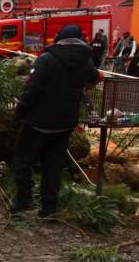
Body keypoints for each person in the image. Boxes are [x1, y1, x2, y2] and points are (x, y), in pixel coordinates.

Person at [12, 24, 100, 217]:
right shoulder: (85, 61)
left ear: (59, 38)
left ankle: (24, 198)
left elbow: (32, 90)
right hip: (64, 123)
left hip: (37, 121)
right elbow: (95, 77)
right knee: (53, 165)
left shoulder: (47, 59)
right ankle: (49, 206)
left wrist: (20, 113)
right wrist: (82, 88)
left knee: (22, 160)